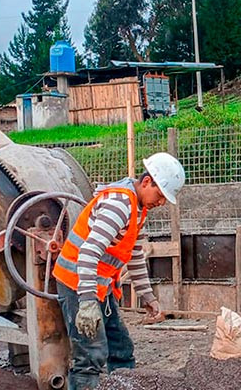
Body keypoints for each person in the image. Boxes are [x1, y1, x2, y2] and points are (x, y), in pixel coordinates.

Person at [52, 152, 185, 390]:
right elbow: (88, 252)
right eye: (160, 195)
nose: (162, 202)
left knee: (121, 348)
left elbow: (133, 254)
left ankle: (124, 386)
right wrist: (88, 302)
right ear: (146, 182)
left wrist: (147, 296)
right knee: (91, 353)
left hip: (100, 285)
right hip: (77, 283)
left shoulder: (138, 209)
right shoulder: (119, 205)